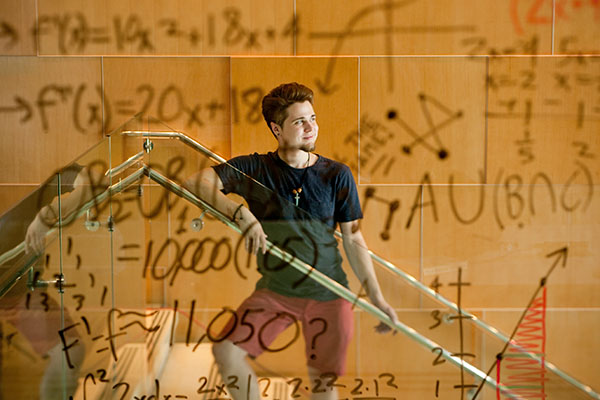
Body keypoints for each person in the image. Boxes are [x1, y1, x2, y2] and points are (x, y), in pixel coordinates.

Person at [185, 82, 399, 400]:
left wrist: (377, 298)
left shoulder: (336, 174)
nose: (311, 127)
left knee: (323, 383)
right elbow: (196, 182)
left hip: (328, 291)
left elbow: (353, 238)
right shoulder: (255, 169)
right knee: (227, 352)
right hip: (277, 292)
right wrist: (240, 214)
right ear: (277, 128)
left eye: (312, 117)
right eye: (299, 121)